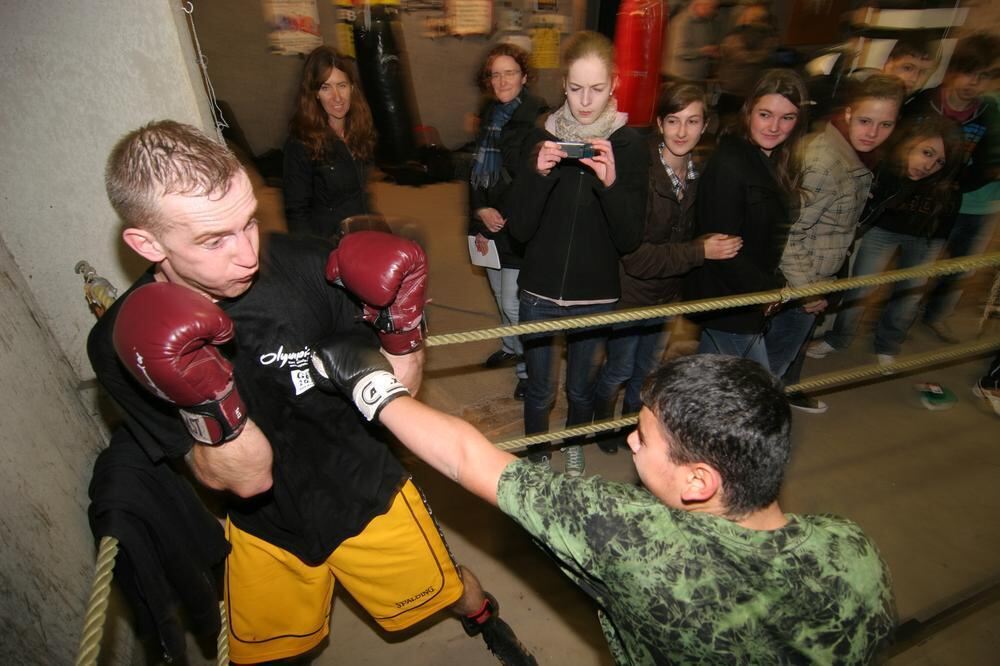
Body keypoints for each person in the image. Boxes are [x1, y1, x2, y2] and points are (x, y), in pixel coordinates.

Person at [89, 121, 536, 665]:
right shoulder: (123, 345)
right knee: (262, 656)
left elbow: (398, 393)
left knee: (450, 590)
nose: (247, 254)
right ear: (145, 242)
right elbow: (244, 479)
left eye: (248, 222)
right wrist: (210, 401)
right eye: (214, 240)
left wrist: (402, 328)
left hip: (364, 492)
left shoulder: (306, 266)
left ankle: (483, 615)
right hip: (263, 527)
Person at [313, 342, 897, 665]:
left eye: (644, 437)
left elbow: (471, 460)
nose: (632, 442)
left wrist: (371, 385)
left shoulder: (638, 542)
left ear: (698, 481)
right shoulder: (855, 547)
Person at [506, 31, 646, 477]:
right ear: (563, 84)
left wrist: (610, 186)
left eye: (598, 88)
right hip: (538, 290)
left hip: (595, 293)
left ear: (615, 84)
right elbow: (520, 231)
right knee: (540, 388)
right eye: (576, 87)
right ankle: (536, 450)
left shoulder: (629, 144)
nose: (586, 101)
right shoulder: (540, 137)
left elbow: (629, 238)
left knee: (582, 389)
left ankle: (572, 443)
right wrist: (539, 174)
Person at [592, 82, 741, 453]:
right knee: (619, 369)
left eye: (692, 121)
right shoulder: (640, 173)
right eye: (673, 120)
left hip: (667, 295)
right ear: (659, 123)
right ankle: (599, 425)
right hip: (631, 293)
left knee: (647, 371)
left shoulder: (699, 174)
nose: (681, 131)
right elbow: (638, 257)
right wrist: (699, 251)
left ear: (705, 125)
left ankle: (634, 426)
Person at [765, 75, 905, 412]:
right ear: (848, 113)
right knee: (769, 367)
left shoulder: (854, 154)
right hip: (800, 282)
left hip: (817, 274)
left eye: (885, 124)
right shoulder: (825, 162)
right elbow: (788, 233)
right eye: (865, 121)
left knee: (783, 357)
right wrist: (809, 290)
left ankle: (777, 400)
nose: (873, 132)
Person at [808, 114, 963, 365]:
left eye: (939, 161)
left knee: (909, 295)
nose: (928, 165)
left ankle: (888, 344)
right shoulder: (884, 165)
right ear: (913, 142)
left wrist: (937, 247)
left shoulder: (947, 187)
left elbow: (946, 223)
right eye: (927, 152)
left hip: (926, 239)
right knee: (860, 287)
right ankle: (838, 338)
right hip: (883, 231)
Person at [684, 69, 810, 368]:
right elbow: (722, 247)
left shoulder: (777, 158)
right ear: (748, 111)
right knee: (755, 382)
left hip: (748, 295)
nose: (774, 127)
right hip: (730, 300)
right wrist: (770, 290)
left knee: (710, 383)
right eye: (765, 114)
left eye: (787, 117)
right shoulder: (730, 161)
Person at [468, 43, 548, 399]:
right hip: (488, 222)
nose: (501, 80)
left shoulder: (537, 119)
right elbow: (475, 171)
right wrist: (479, 209)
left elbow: (532, 181)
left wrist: (504, 214)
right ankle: (511, 347)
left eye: (510, 73)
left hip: (517, 227)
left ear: (525, 76)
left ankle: (528, 370)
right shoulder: (491, 115)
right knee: (499, 297)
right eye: (495, 74)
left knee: (514, 302)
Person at [911, 33, 999, 343]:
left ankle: (935, 316)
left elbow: (988, 160)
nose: (973, 83)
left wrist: (962, 181)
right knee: (919, 265)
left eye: (984, 76)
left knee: (958, 268)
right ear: (952, 69)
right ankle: (903, 318)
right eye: (968, 72)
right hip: (929, 202)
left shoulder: (987, 113)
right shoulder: (927, 102)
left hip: (973, 203)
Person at [283, 46, 377, 239]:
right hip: (329, 241)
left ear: (352, 87)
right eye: (326, 87)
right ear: (315, 93)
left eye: (341, 85)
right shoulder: (300, 143)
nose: (337, 97)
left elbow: (361, 194)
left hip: (361, 229)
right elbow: (296, 212)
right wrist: (313, 258)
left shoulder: (359, 130)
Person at [664, 0, 722, 84]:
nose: (713, 11)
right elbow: (679, 51)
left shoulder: (706, 22)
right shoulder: (682, 23)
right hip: (681, 77)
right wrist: (704, 51)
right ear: (699, 5)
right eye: (711, 7)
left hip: (696, 77)